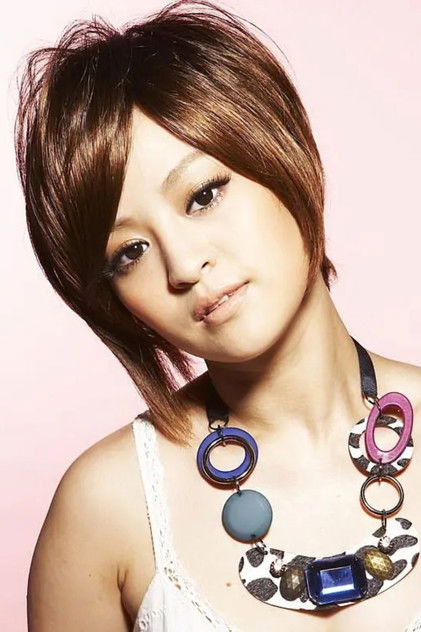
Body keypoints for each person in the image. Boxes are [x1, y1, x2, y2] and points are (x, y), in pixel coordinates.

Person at [15, 1, 421, 630]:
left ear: (283, 151)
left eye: (203, 195)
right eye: (129, 253)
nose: (182, 265)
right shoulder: (106, 510)